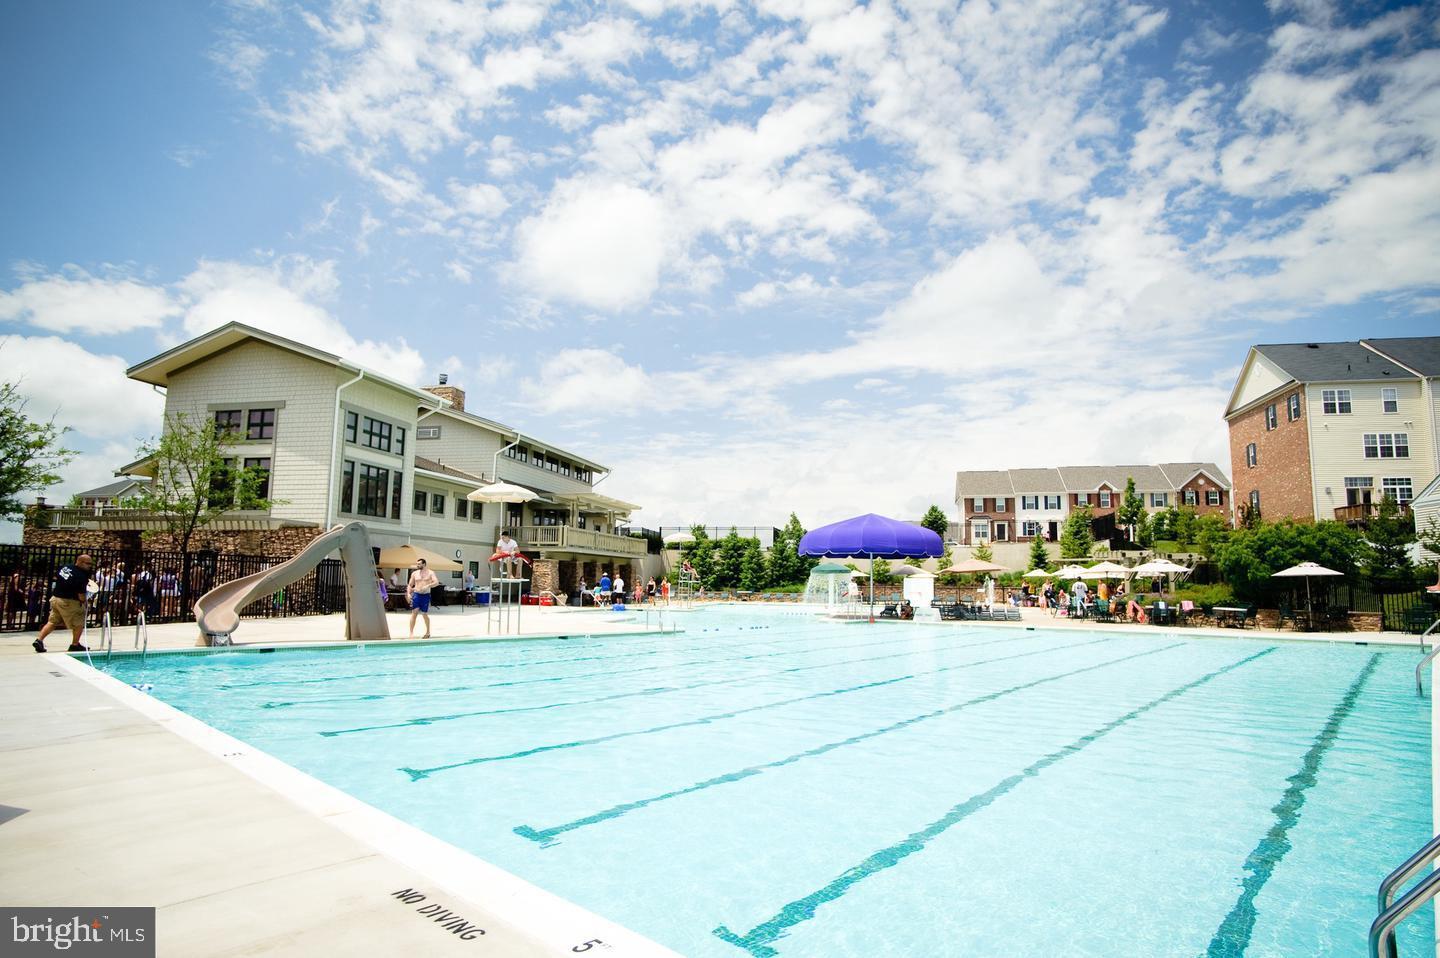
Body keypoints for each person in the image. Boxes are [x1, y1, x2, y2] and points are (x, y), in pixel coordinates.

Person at [33, 554, 96, 653]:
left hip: (56, 598)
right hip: (69, 601)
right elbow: (81, 596)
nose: (90, 566)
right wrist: (85, 601)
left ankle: (39, 640)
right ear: (80, 562)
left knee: (52, 622)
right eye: (88, 563)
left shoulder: (65, 568)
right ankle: (75, 644)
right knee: (79, 623)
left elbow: (57, 577)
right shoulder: (81, 576)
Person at [406, 559, 440, 639]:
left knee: (424, 614)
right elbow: (410, 585)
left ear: (424, 564)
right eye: (417, 564)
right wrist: (408, 593)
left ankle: (428, 632)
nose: (417, 565)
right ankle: (411, 633)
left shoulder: (430, 573)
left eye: (419, 564)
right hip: (417, 594)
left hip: (425, 595)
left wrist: (428, 586)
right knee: (414, 612)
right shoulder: (414, 573)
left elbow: (436, 582)